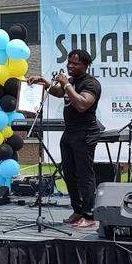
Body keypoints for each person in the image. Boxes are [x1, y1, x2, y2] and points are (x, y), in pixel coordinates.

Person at [29, 48, 103, 228]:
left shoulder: (91, 83)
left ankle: (90, 215)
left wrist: (67, 85)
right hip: (69, 132)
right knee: (69, 174)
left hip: (85, 133)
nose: (70, 66)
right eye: (69, 62)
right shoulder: (72, 81)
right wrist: (44, 82)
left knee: (84, 175)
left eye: (75, 63)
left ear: (85, 65)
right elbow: (59, 92)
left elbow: (82, 104)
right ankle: (77, 211)